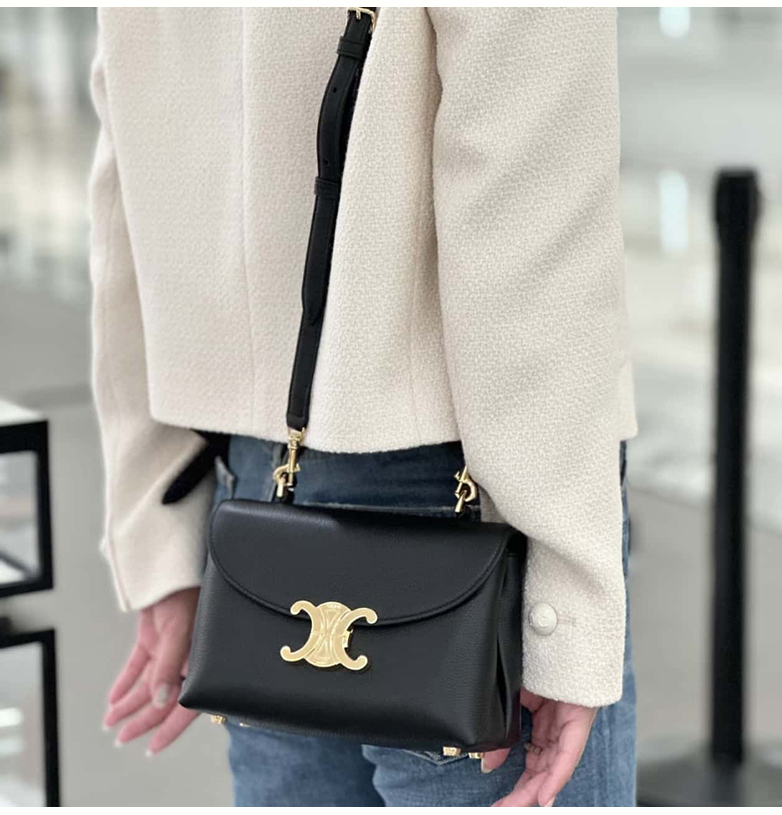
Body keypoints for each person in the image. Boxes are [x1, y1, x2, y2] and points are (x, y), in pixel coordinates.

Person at [90, 7, 638, 808]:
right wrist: (566, 609)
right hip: (470, 500)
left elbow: (127, 182)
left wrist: (160, 526)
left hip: (255, 508)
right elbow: (527, 196)